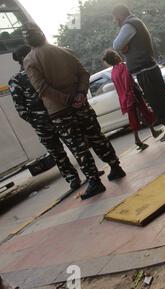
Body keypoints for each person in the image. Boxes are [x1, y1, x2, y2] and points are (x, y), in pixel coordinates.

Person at [22, 22, 126, 200]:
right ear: (42, 34)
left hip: (60, 112)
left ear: (28, 41)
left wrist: (67, 100)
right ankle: (115, 167)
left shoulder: (30, 60)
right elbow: (83, 73)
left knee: (78, 147)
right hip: (81, 105)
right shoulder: (63, 51)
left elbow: (43, 89)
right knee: (96, 137)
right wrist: (80, 94)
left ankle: (95, 181)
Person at [8, 45, 81, 190]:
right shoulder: (16, 80)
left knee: (74, 146)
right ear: (24, 58)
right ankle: (74, 178)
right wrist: (38, 121)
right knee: (60, 152)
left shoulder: (41, 71)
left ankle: (87, 173)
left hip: (57, 116)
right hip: (49, 121)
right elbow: (21, 109)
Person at [112, 4, 165, 141]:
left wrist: (124, 47)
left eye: (115, 18)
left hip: (146, 71)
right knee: (159, 103)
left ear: (119, 15)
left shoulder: (129, 25)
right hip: (147, 70)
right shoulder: (135, 22)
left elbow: (116, 45)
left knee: (160, 103)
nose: (114, 21)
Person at [102, 49, 163, 150]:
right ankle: (148, 134)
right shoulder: (123, 66)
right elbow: (128, 80)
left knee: (133, 118)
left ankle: (143, 136)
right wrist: (132, 93)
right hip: (133, 94)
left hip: (125, 98)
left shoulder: (113, 72)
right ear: (116, 57)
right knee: (144, 112)